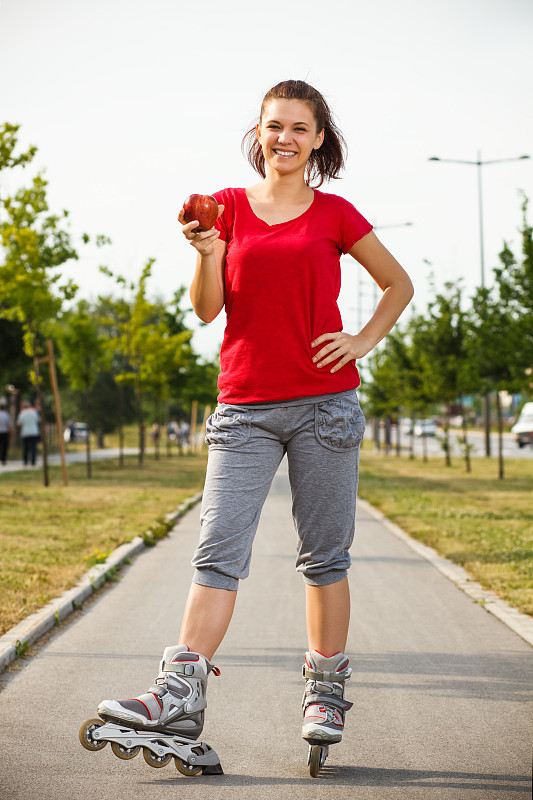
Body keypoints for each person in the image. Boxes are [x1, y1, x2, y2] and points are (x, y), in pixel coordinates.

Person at [97, 80, 413, 765]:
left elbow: (398, 285)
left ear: (318, 138)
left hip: (325, 405)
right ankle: (178, 691)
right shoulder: (229, 209)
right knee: (217, 551)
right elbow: (208, 311)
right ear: (259, 132)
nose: (285, 138)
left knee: (323, 555)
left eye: (300, 128)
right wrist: (208, 254)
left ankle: (324, 690)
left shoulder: (334, 214)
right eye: (274, 126)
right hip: (243, 406)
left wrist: (359, 342)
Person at [16, 399, 40, 467]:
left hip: (25, 432)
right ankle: (33, 461)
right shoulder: (34, 412)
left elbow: (19, 423)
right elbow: (38, 420)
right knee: (33, 447)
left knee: (26, 448)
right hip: (34, 432)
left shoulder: (22, 413)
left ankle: (25, 461)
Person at [0, 398, 13, 466]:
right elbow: (9, 426)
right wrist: (11, 434)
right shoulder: (6, 415)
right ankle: (3, 460)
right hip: (4, 432)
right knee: (4, 447)